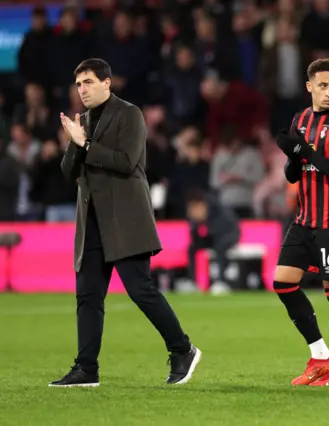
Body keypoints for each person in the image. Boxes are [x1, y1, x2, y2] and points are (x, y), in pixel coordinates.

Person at [50, 58, 201, 387]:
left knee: (141, 291)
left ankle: (183, 349)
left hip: (125, 219)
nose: (82, 90)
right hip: (91, 221)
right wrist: (76, 143)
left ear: (107, 83)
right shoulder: (84, 121)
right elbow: (67, 173)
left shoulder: (129, 114)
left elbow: (125, 161)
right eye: (78, 85)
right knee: (88, 296)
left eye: (88, 82)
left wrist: (85, 143)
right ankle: (86, 368)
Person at [272, 58, 329, 387]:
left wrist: (304, 150)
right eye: (323, 86)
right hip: (305, 218)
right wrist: (294, 154)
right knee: (283, 282)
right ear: (309, 86)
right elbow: (293, 173)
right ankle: (320, 355)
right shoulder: (301, 119)